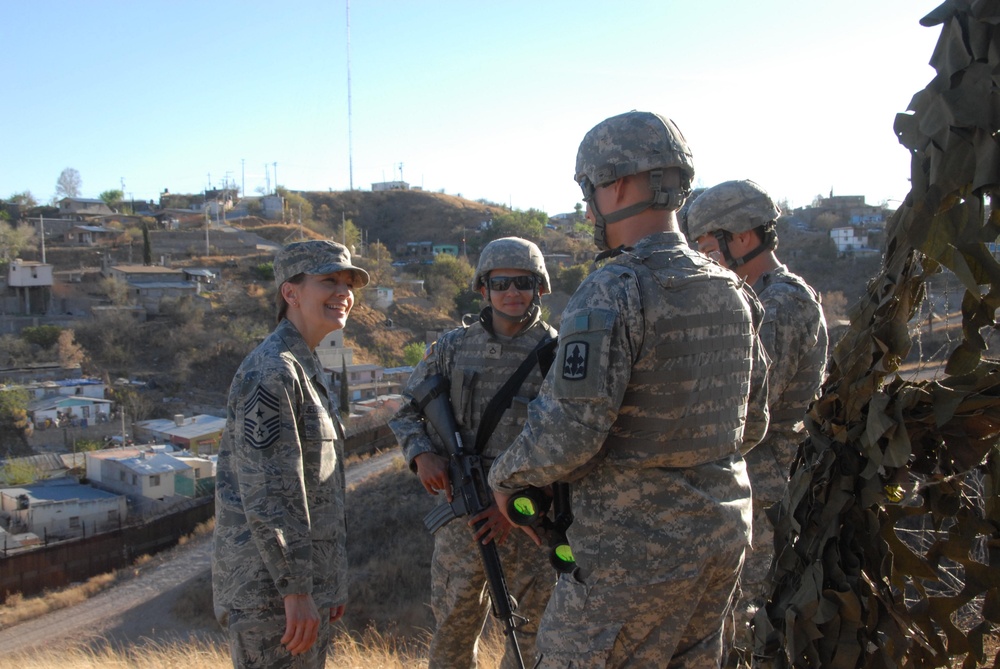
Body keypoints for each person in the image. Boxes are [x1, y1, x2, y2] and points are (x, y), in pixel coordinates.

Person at [488, 111, 770, 668]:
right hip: (721, 535)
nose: (589, 205)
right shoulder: (730, 289)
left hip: (631, 555)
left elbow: (571, 428)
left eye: (589, 189)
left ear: (614, 183)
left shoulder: (612, 288)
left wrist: (508, 478)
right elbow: (753, 420)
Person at [389, 236, 558, 669]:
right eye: (501, 284)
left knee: (531, 638)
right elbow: (407, 409)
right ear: (483, 289)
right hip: (462, 519)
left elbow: (570, 440)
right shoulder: (451, 347)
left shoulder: (558, 353)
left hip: (527, 519)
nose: (513, 293)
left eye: (524, 282)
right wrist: (422, 454)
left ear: (540, 286)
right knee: (453, 632)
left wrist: (514, 508)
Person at [212, 239, 369, 669]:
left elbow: (316, 486)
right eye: (328, 281)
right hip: (271, 599)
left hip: (299, 591)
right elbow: (271, 495)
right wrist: (296, 590)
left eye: (348, 283)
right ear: (291, 292)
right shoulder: (273, 371)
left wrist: (326, 581)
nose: (343, 293)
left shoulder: (306, 366)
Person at [684, 179, 828, 638]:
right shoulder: (752, 299)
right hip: (744, 490)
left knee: (739, 631)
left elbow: (747, 408)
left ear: (743, 238)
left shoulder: (781, 305)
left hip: (763, 494)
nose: (706, 258)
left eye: (709, 246)